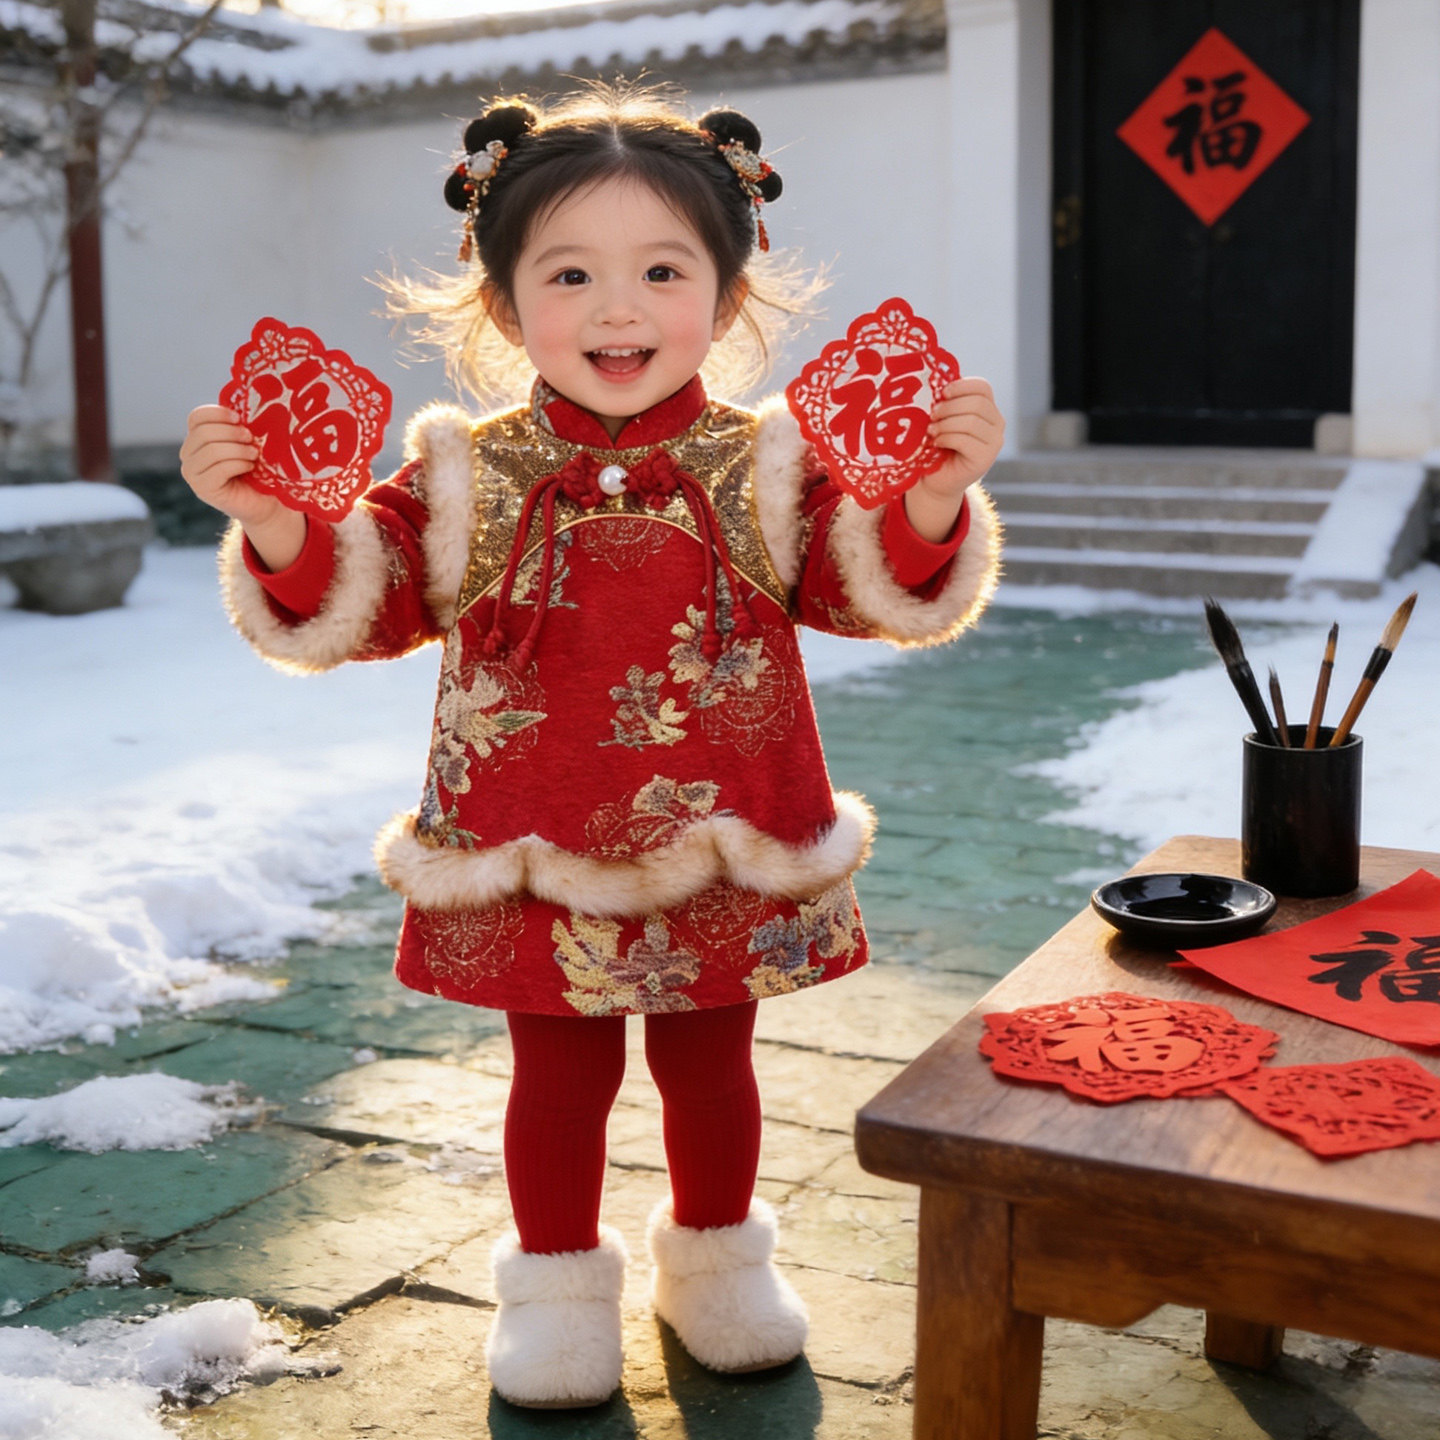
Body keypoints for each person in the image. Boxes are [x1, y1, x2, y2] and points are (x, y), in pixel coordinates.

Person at [179, 84, 1003, 1411]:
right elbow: (367, 591)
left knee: (710, 1061)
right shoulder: (464, 475)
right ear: (506, 303)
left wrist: (929, 497)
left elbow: (868, 587)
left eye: (662, 270)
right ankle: (556, 1285)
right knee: (557, 1073)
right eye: (571, 272)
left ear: (727, 298)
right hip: (531, 837)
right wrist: (275, 522)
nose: (619, 309)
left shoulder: (770, 465)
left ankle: (718, 1267)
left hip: (721, 824)